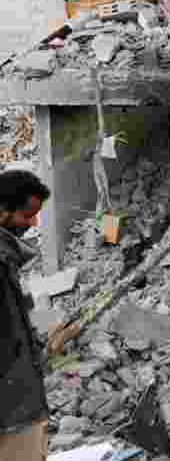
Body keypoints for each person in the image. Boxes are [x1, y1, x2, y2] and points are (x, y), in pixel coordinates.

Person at [0, 170, 51, 460]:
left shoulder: (7, 259)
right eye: (27, 214)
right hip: (10, 411)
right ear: (2, 210)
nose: (33, 223)